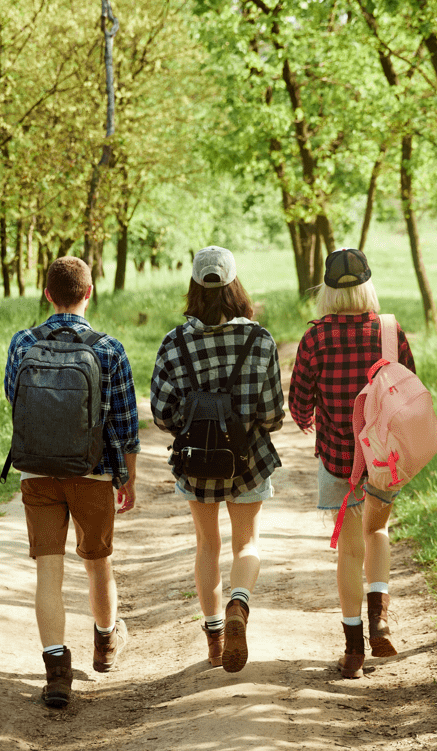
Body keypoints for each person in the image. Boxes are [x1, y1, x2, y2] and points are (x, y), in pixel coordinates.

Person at [4, 256, 140, 708]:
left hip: (38, 471)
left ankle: (57, 670)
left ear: (47, 295)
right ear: (90, 292)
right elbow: (124, 423)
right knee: (97, 560)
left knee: (49, 571)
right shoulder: (109, 349)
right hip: (93, 472)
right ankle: (104, 643)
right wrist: (128, 477)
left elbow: (14, 397)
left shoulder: (23, 342)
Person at [150, 246, 285, 673]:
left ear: (194, 286)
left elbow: (161, 414)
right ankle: (238, 606)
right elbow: (272, 414)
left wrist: (197, 424)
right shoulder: (259, 340)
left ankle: (214, 641)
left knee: (207, 545)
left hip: (197, 462)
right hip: (247, 462)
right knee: (246, 543)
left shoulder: (174, 343)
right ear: (234, 286)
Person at [289, 248, 415, 679]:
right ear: (367, 285)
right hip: (384, 457)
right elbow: (409, 390)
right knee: (378, 531)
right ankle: (380, 616)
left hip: (339, 458)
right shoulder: (390, 330)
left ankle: (354, 650)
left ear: (326, 290)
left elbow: (299, 403)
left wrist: (309, 420)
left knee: (348, 550)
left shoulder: (316, 337)